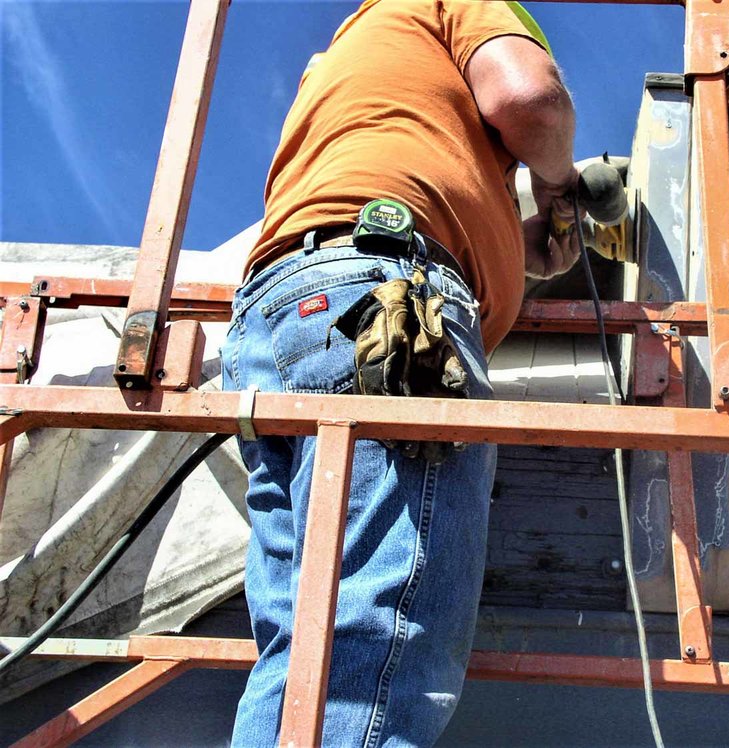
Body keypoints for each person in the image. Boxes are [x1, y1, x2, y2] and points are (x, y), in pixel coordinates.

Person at [220, 1, 582, 745]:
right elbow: (527, 99)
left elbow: (414, 173)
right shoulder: (453, 0)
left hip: (282, 310)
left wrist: (518, 252)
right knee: (378, 642)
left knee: (305, 655)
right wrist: (556, 182)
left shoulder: (346, 66)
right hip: (389, 304)